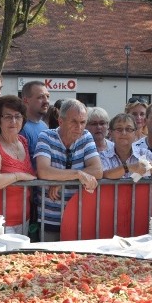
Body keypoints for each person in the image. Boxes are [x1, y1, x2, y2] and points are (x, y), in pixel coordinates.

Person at [34, 99, 102, 242]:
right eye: (74, 122)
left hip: (79, 216)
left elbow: (97, 170)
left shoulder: (86, 136)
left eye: (83, 122)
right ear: (60, 121)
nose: (79, 127)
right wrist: (78, 174)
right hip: (49, 217)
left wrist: (61, 180)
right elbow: (44, 171)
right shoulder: (46, 136)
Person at [0, 95, 37, 234]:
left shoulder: (23, 141)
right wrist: (18, 176)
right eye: (8, 117)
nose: (14, 121)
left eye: (18, 116)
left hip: (23, 220)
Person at [100, 114, 145, 179]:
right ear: (110, 132)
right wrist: (128, 167)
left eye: (128, 129)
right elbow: (104, 175)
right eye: (119, 129)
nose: (124, 133)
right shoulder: (103, 156)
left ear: (135, 133)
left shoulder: (144, 153)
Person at [20, 81, 50, 164]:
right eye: (40, 97)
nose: (46, 101)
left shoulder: (44, 125)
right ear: (26, 100)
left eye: (47, 96)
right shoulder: (20, 128)